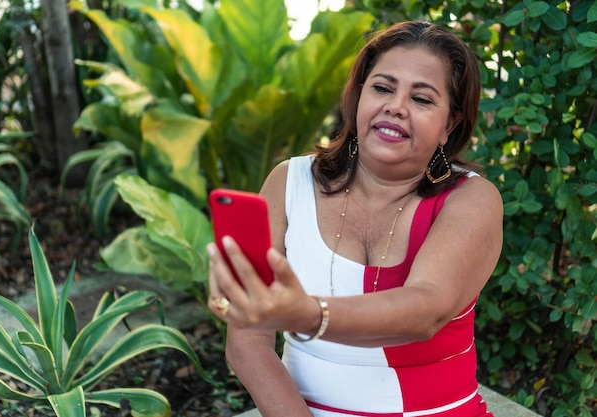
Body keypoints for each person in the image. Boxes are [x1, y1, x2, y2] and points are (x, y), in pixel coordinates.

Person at [207, 20, 503, 417]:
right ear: (358, 96)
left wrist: (309, 316)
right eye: (382, 87)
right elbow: (247, 343)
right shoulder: (289, 182)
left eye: (422, 99)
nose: (395, 106)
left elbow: (425, 311)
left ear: (449, 125)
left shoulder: (470, 199)